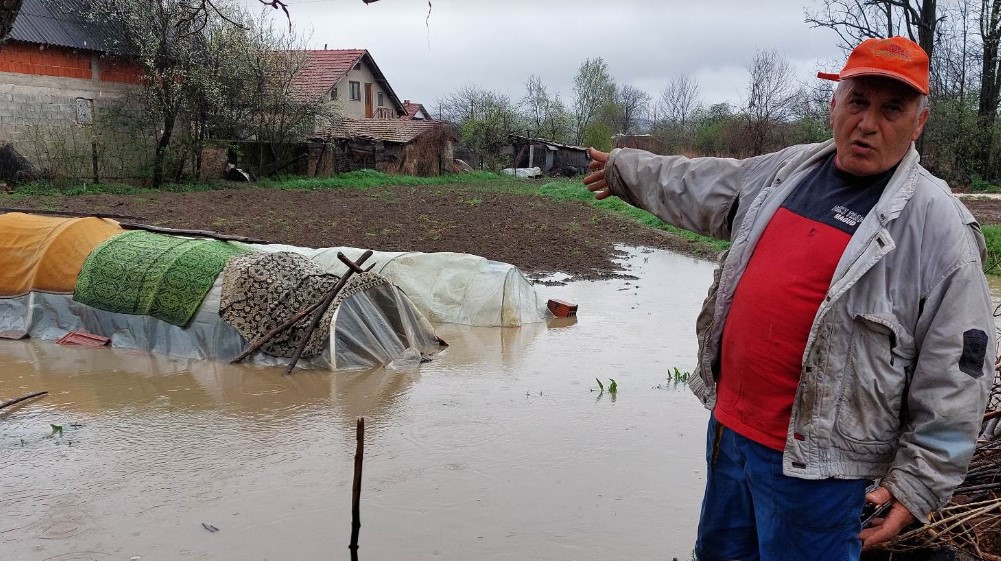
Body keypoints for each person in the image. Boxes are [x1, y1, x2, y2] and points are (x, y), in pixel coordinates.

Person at [583, 36, 995, 561]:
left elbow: (960, 367)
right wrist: (624, 170)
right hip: (732, 434)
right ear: (833, 105)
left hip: (823, 470)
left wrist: (920, 481)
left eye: (892, 109)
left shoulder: (938, 229)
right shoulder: (789, 173)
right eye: (857, 103)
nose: (868, 123)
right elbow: (702, 183)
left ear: (919, 122)